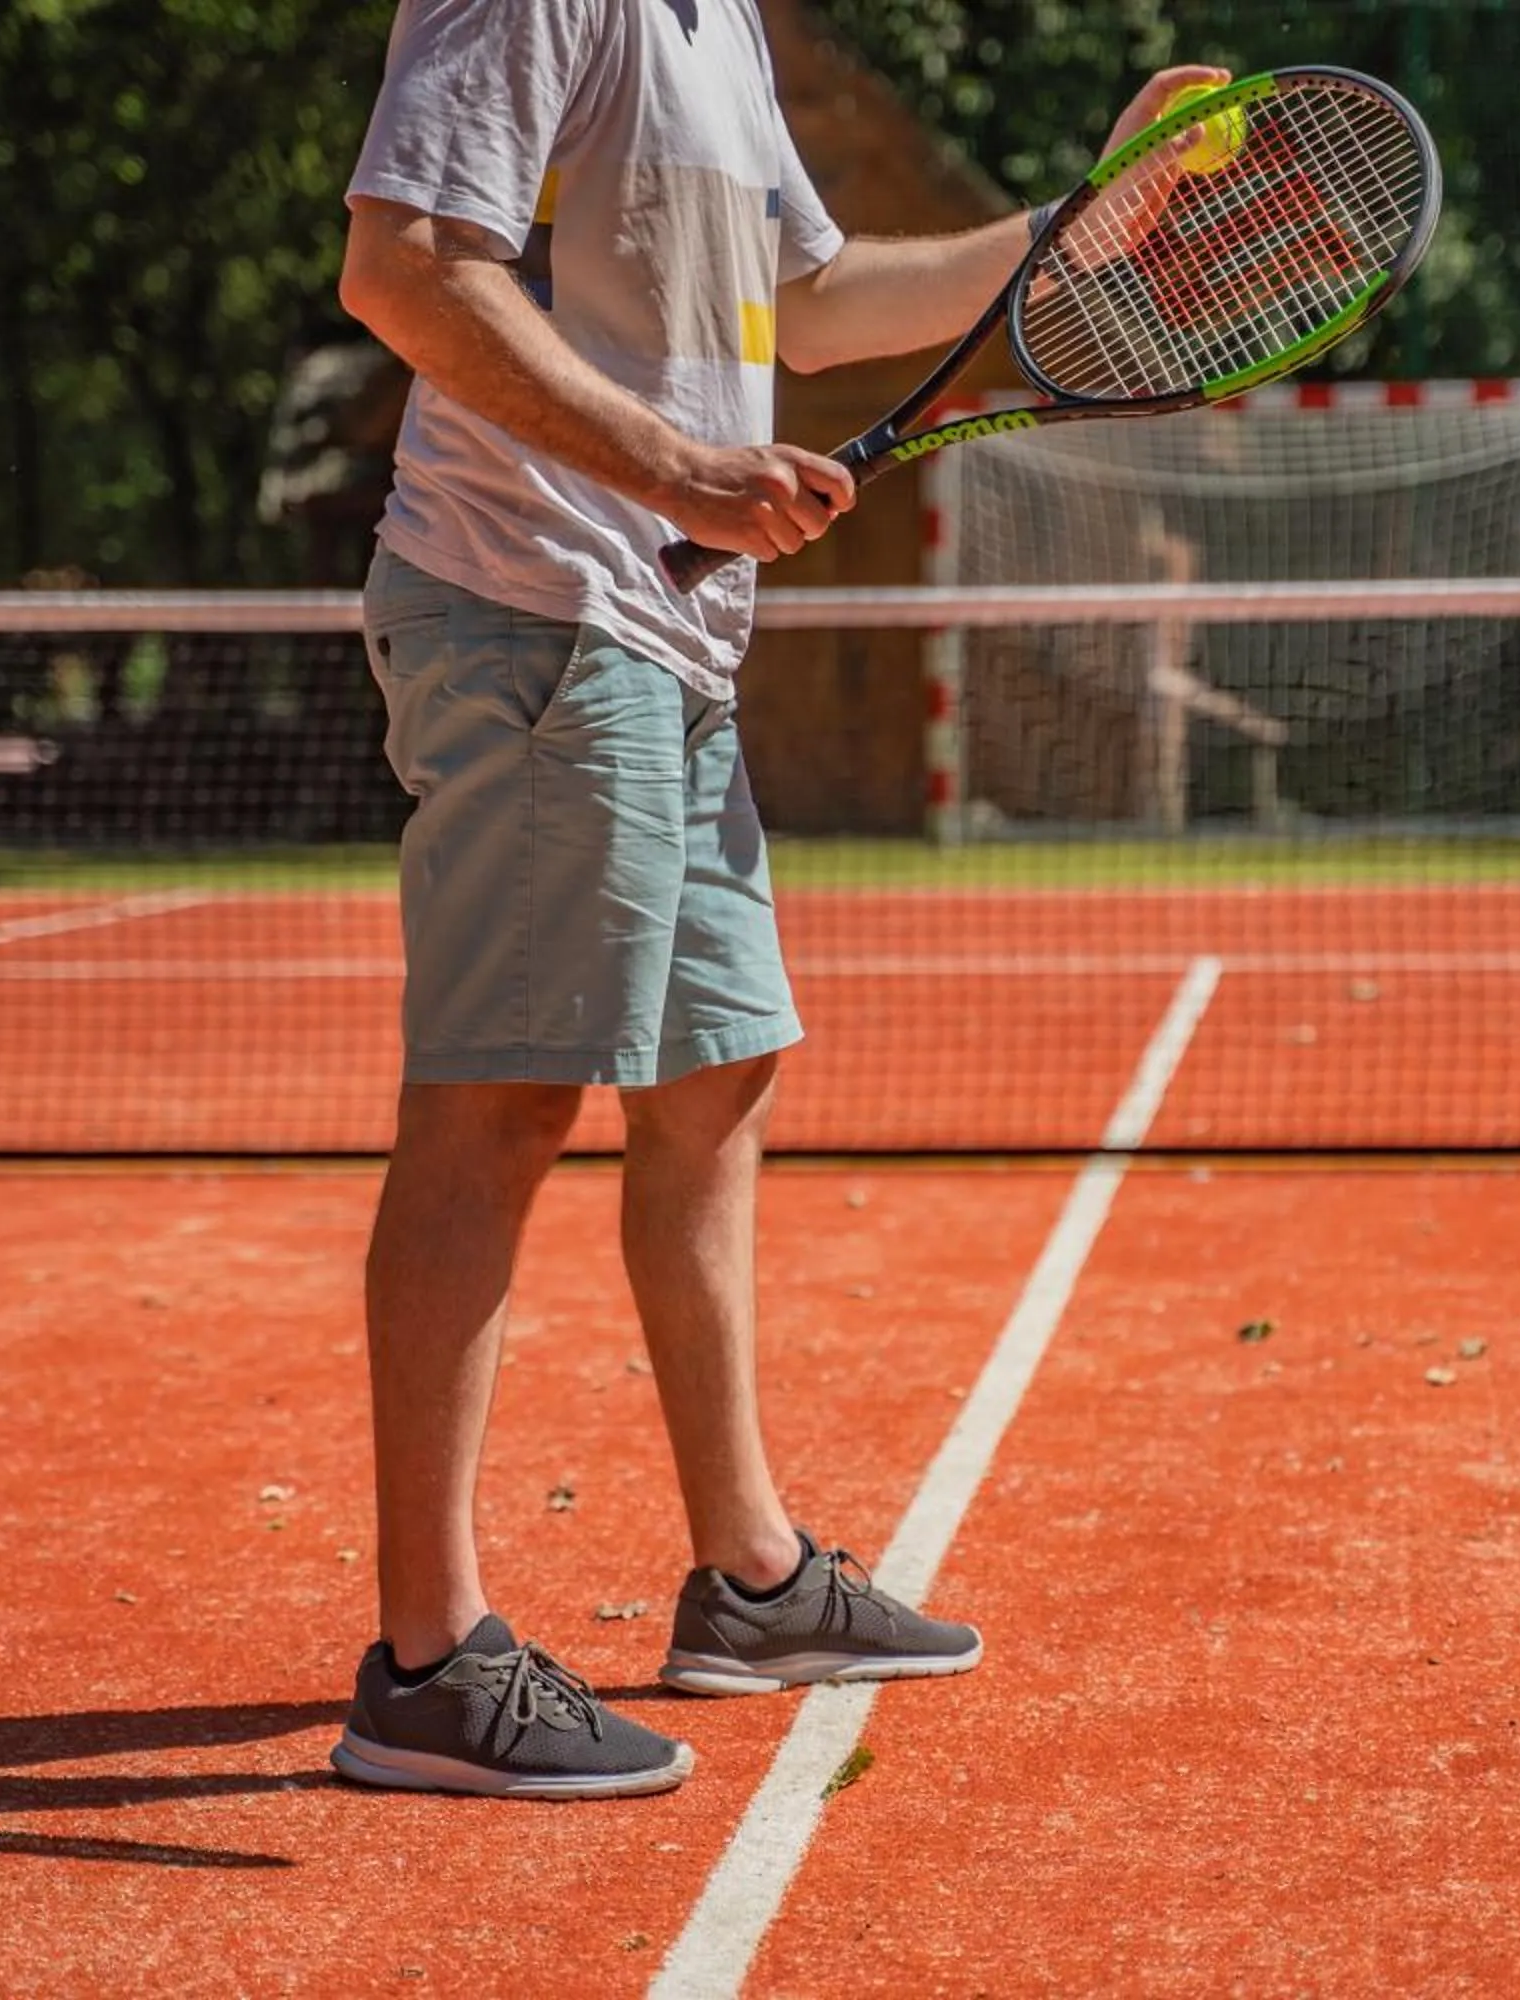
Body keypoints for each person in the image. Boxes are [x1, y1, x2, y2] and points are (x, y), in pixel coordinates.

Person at [332, 0, 1222, 1799]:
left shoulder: (715, 20)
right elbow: (407, 267)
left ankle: (748, 1583)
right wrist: (674, 469)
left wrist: (1076, 232)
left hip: (668, 640)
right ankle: (428, 1658)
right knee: (498, 1112)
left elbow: (801, 307)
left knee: (714, 1085)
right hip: (540, 612)